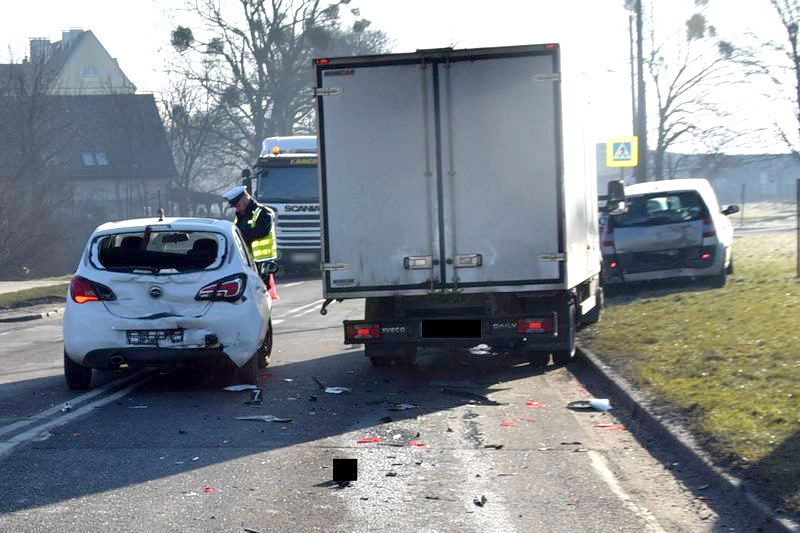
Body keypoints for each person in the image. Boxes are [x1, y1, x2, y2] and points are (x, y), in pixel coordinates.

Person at [222, 185, 277, 280]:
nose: (237, 209)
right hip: (246, 260)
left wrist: (240, 235)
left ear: (245, 199)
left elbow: (262, 231)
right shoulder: (240, 215)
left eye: (238, 206)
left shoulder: (263, 212)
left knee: (263, 288)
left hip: (262, 262)